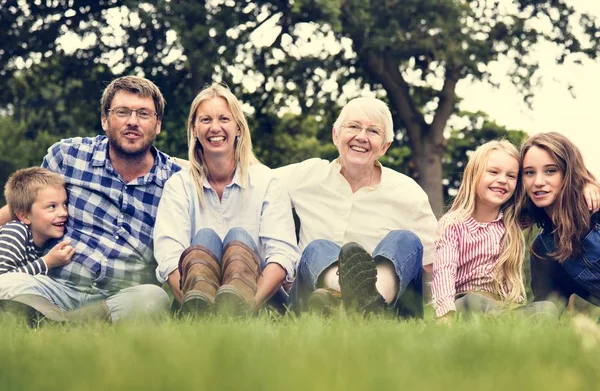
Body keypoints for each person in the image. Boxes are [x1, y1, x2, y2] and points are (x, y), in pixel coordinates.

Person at [0, 75, 181, 323]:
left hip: (121, 296)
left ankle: (56, 323)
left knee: (154, 298)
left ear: (157, 124)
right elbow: (20, 209)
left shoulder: (175, 181)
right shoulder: (67, 156)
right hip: (56, 288)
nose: (132, 121)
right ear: (105, 120)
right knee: (5, 282)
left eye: (143, 114)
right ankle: (69, 322)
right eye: (122, 112)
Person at [276, 97, 437, 317]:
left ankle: (369, 301)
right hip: (311, 300)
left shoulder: (408, 192)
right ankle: (363, 302)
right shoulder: (305, 175)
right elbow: (254, 180)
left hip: (390, 310)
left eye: (373, 131)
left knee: (406, 240)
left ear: (385, 146)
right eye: (353, 127)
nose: (361, 137)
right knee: (317, 248)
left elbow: (438, 263)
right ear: (336, 135)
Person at [153, 83, 299, 316]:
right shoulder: (179, 185)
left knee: (238, 237)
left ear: (239, 128)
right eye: (206, 120)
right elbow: (169, 256)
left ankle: (234, 305)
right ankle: (202, 310)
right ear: (194, 129)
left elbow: (282, 255)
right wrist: (196, 306)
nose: (215, 128)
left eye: (224, 119)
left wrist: (247, 307)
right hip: (196, 298)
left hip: (258, 298)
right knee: (205, 238)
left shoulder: (266, 181)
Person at [432, 140, 557, 319]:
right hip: (466, 302)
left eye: (511, 176)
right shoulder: (452, 224)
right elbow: (443, 271)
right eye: (493, 172)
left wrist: (587, 184)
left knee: (547, 308)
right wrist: (446, 315)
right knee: (473, 302)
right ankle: (504, 324)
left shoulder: (512, 223)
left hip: (505, 307)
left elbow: (550, 202)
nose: (502, 180)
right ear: (474, 175)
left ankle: (512, 325)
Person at [518, 132, 600, 313]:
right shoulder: (542, 250)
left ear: (568, 172)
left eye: (550, 170)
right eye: (529, 172)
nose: (538, 182)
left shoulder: (596, 212)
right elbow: (546, 309)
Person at [0, 167, 74, 276]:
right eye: (52, 206)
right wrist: (47, 262)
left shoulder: (45, 243)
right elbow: (3, 279)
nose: (64, 213)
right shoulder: (15, 232)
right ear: (24, 216)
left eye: (64, 204)